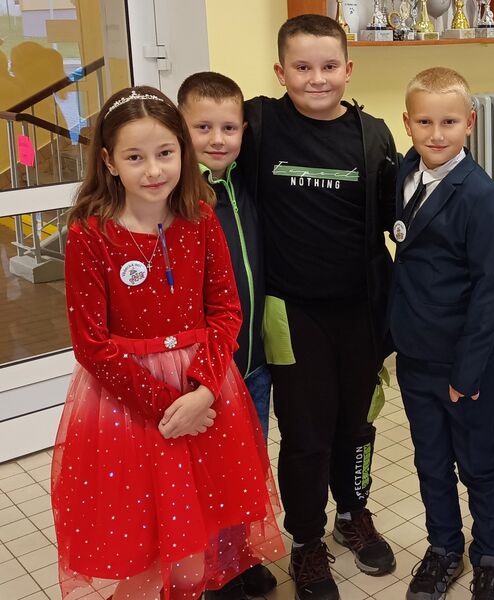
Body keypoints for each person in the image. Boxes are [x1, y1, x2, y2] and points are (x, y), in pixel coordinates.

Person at [51, 86, 283, 600]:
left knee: (195, 547)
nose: (154, 170)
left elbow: (226, 312)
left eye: (165, 153)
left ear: (182, 149)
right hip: (128, 406)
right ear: (109, 161)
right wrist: (168, 406)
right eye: (135, 157)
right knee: (144, 549)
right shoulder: (91, 234)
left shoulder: (200, 219)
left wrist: (203, 391)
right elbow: (91, 344)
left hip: (204, 392)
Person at [239, 14, 398, 600]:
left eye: (329, 66)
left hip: (360, 311)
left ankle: (352, 513)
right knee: (306, 435)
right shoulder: (258, 124)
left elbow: (395, 221)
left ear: (348, 69)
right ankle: (306, 540)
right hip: (291, 312)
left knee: (356, 424)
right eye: (302, 67)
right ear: (280, 71)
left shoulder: (373, 135)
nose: (316, 78)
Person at [389, 66, 494, 600]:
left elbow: (490, 288)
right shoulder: (403, 173)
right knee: (430, 461)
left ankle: (490, 556)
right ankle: (443, 548)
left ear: (471, 123)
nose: (436, 134)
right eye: (424, 122)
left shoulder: (480, 195)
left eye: (449, 122)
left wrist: (467, 370)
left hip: (465, 362)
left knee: (478, 464)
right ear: (407, 123)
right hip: (414, 355)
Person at [177, 71, 277, 599]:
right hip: (208, 372)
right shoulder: (178, 195)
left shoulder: (243, 182)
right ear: (180, 127)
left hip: (253, 364)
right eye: (203, 127)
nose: (218, 139)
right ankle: (214, 572)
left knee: (246, 470)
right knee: (209, 476)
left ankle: (239, 558)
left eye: (229, 128)